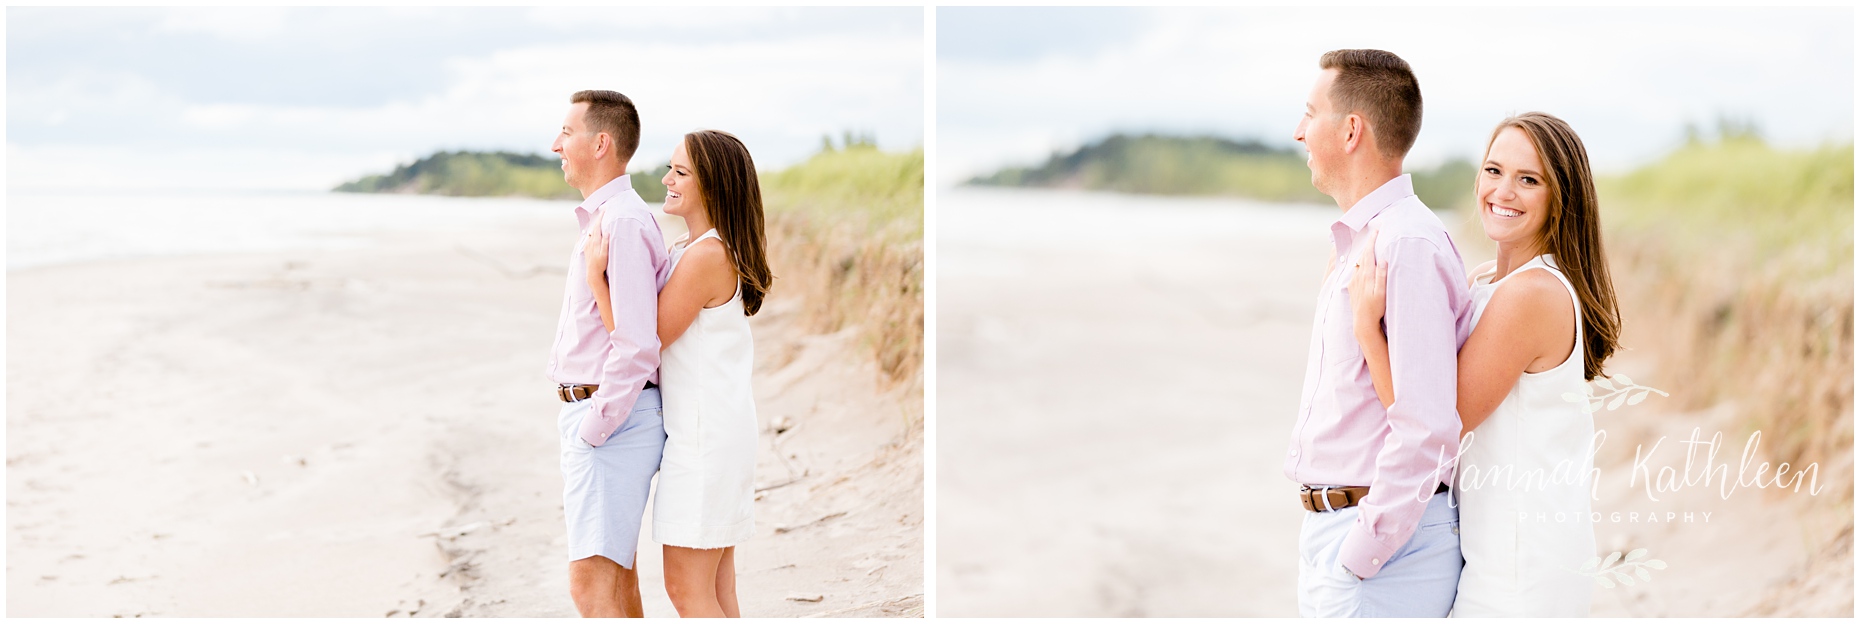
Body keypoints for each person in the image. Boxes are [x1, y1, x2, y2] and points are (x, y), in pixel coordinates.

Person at [1350, 112, 1619, 616]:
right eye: (1494, 171)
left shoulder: (1532, 295)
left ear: (1561, 198)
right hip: (1496, 546)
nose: (1504, 191)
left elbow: (1435, 424)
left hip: (1523, 562)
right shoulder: (1487, 284)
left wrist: (1367, 329)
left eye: (1529, 180)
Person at [1285, 49, 1474, 617]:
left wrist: (1360, 555)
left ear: (1350, 131)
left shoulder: (1405, 246)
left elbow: (1427, 428)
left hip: (1381, 554)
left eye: (1310, 113)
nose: (1298, 132)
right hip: (1343, 540)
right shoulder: (1365, 242)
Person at [585, 130, 771, 617]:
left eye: (680, 172)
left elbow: (642, 343)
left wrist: (596, 280)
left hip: (705, 440)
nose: (666, 179)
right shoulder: (699, 247)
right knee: (717, 591)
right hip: (718, 432)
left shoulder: (707, 256)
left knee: (688, 591)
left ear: (713, 185)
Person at [546, 89, 671, 618]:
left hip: (610, 420)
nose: (556, 144)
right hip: (609, 416)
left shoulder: (619, 221)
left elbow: (638, 342)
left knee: (592, 588)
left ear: (601, 143)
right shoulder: (612, 217)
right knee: (618, 585)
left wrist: (595, 425)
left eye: (567, 133)